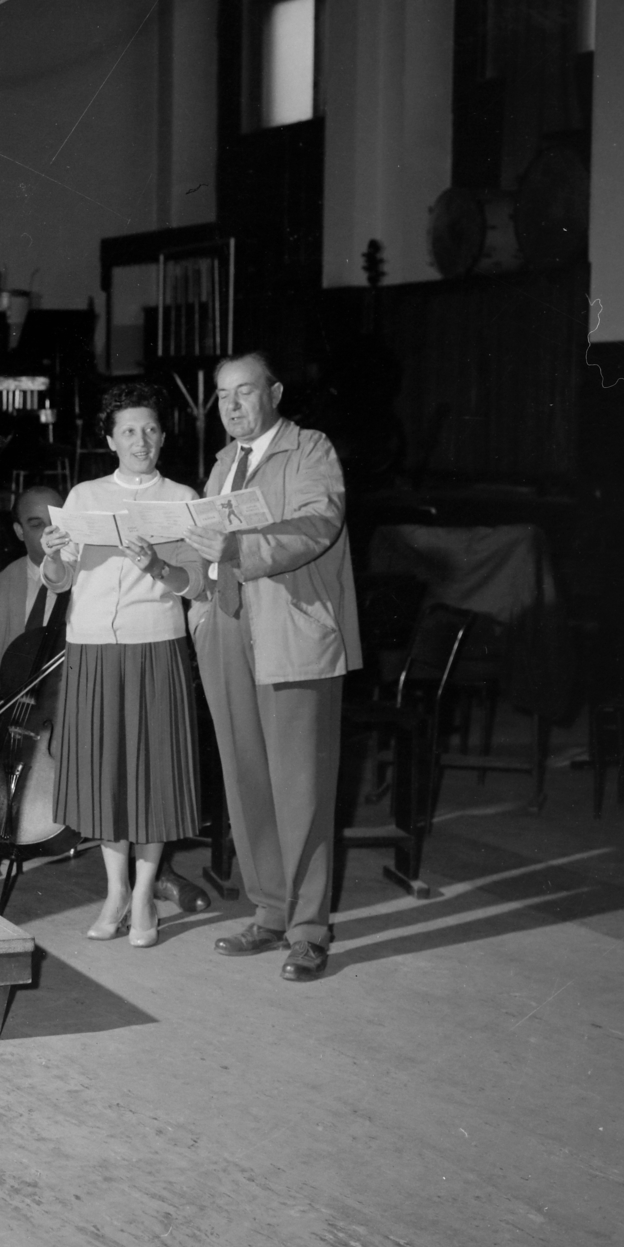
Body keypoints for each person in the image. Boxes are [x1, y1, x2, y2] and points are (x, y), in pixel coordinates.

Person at [0, 484, 211, 912]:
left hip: (81, 713)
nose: (49, 532)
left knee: (129, 761)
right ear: (20, 531)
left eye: (58, 522)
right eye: (37, 524)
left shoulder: (97, 571)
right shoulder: (3, 585)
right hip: (16, 709)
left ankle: (158, 874)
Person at [185, 351, 361, 982]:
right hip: (228, 628)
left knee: (301, 788)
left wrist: (239, 547)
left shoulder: (309, 450)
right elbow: (204, 552)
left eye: (246, 392)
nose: (232, 406)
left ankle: (309, 930)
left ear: (275, 392)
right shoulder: (221, 465)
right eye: (222, 396)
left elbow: (318, 524)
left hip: (290, 632)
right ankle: (270, 910)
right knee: (246, 778)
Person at [39, 384, 207, 947]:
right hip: (89, 648)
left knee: (152, 771)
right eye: (129, 431)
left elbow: (196, 583)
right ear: (110, 439)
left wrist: (158, 565)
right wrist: (49, 553)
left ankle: (144, 896)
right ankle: (114, 890)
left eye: (151, 429)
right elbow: (61, 579)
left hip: (153, 644)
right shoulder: (84, 496)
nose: (142, 440)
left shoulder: (181, 496)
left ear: (163, 436)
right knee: (106, 771)